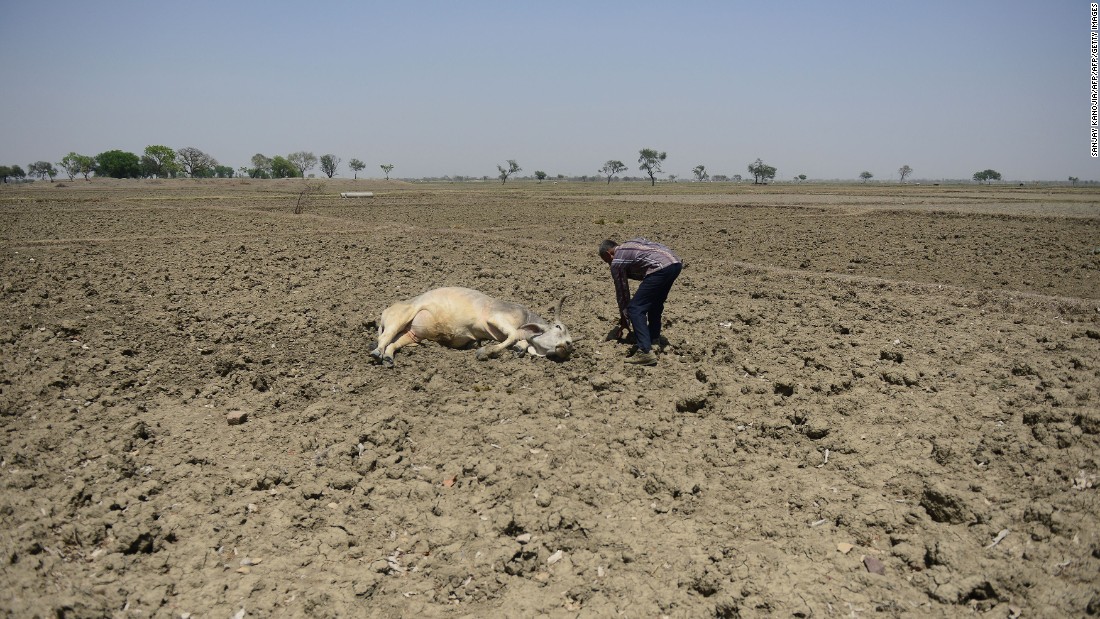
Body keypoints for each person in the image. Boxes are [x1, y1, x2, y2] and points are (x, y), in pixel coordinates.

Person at [598, 238, 683, 366]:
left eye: (607, 261)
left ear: (608, 254)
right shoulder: (630, 245)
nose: (609, 265)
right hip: (675, 263)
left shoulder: (617, 260)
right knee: (655, 304)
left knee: (635, 308)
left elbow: (622, 292)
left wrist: (625, 318)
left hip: (659, 267)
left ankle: (644, 351)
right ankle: (653, 339)